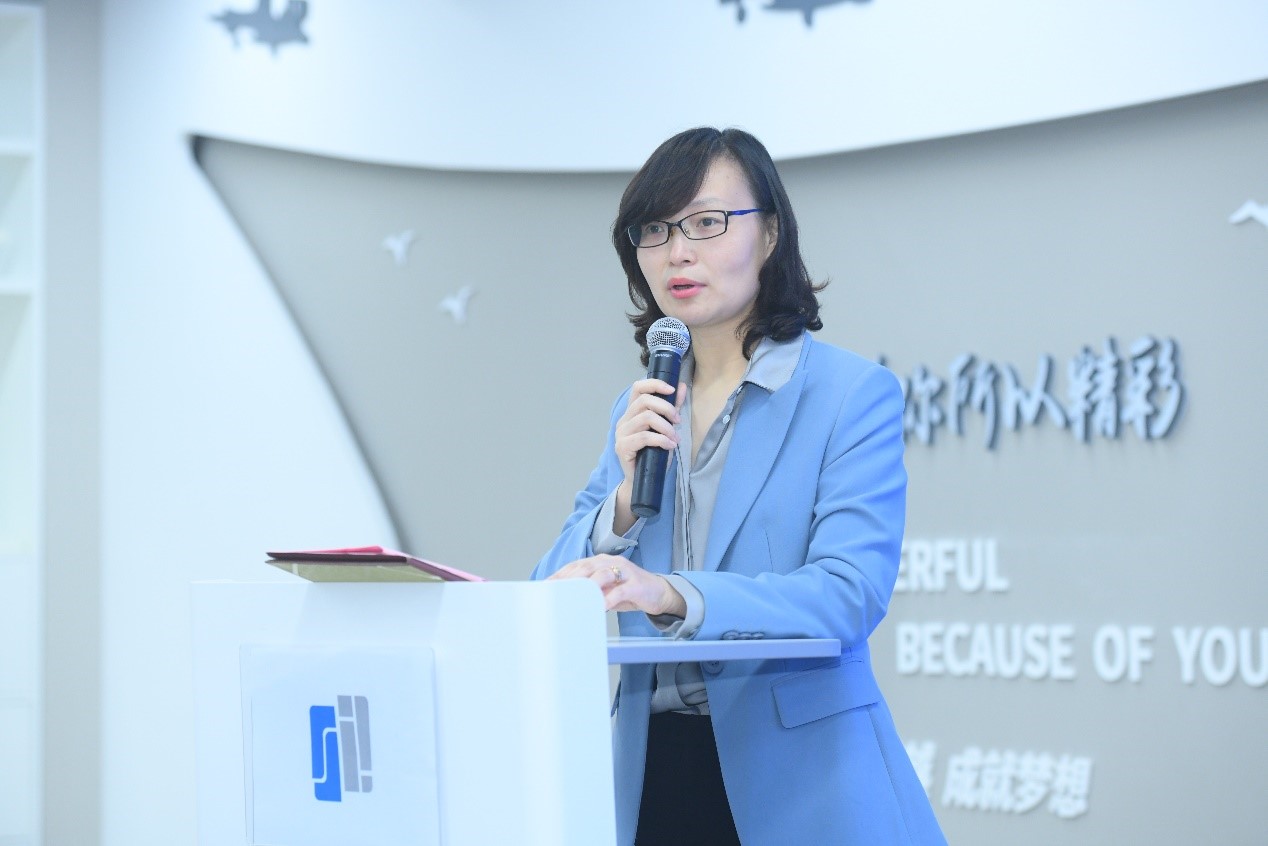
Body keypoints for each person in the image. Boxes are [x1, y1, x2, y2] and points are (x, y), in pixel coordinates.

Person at [531, 127, 946, 845]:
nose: (677, 252)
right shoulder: (644, 405)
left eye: (706, 222)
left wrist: (673, 594)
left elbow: (848, 593)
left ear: (772, 233)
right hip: (652, 776)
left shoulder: (850, 394)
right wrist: (621, 506)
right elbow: (549, 589)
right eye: (655, 230)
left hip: (804, 786)